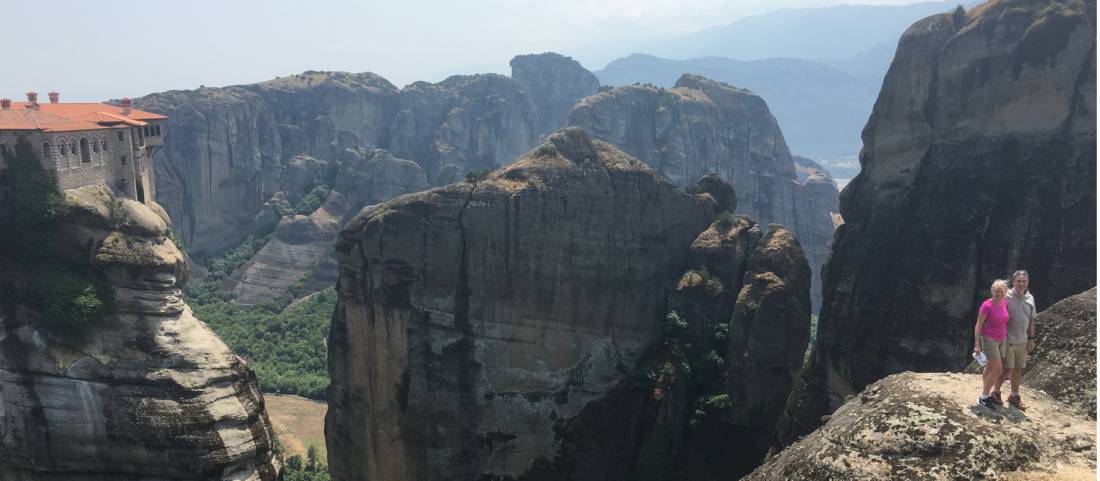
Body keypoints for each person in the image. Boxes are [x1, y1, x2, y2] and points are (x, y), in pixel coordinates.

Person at [994, 270, 1037, 410]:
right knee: (1005, 369)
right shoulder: (1006, 296)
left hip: (1022, 340)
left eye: (1024, 281)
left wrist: (1031, 338)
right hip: (1007, 339)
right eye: (1019, 281)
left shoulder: (1030, 298)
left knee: (1017, 369)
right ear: (1013, 282)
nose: (1021, 283)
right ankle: (995, 393)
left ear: (1028, 282)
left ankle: (1014, 396)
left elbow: (1031, 320)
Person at [974, 279, 1010, 408]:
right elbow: (978, 325)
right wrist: (977, 344)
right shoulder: (986, 305)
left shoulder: (1004, 303)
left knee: (989, 366)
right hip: (989, 339)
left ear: (1005, 292)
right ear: (992, 291)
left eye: (1001, 291)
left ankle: (986, 393)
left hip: (1002, 338)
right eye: (996, 291)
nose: (998, 293)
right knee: (998, 369)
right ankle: (983, 397)